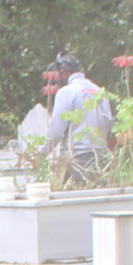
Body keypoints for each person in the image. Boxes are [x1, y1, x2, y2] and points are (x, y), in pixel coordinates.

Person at [47, 54, 115, 187]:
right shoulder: (97, 90)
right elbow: (108, 122)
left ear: (63, 72)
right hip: (102, 158)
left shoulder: (66, 92)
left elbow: (56, 131)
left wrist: (42, 152)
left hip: (79, 158)